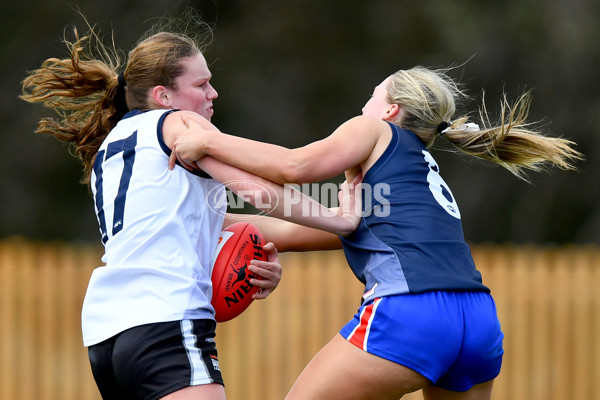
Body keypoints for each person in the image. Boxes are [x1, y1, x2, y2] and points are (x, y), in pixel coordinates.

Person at [169, 66, 583, 399]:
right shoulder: (409, 183)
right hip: (479, 322)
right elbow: (289, 228)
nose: (363, 106)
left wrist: (207, 143)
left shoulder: (375, 131)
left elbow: (293, 167)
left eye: (372, 96)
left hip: (413, 313)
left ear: (390, 111)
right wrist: (195, 221)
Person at [20, 16, 360, 400]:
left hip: (106, 339)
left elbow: (247, 224)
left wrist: (359, 229)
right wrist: (342, 218)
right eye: (201, 84)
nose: (213, 93)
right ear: (164, 96)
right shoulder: (177, 123)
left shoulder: (114, 148)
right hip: (166, 319)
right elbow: (260, 188)